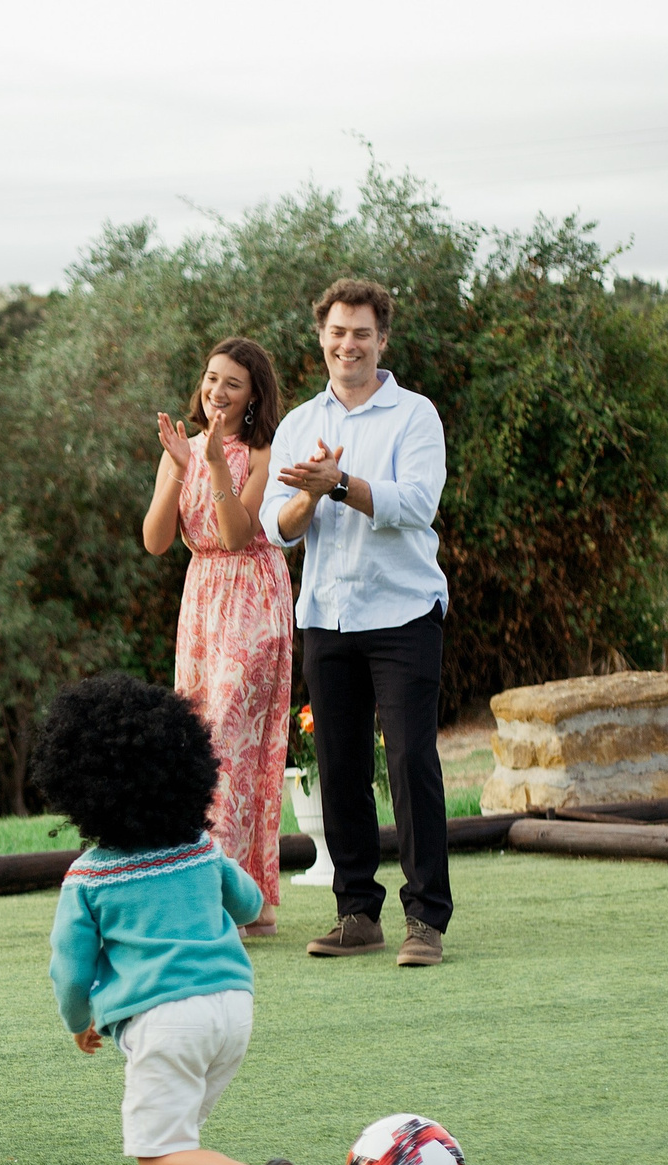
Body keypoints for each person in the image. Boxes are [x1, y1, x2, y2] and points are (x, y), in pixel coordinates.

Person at [31, 673, 300, 1165]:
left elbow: (68, 968)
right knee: (178, 1136)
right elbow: (252, 902)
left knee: (157, 1153)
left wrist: (80, 1022)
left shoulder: (90, 878)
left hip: (165, 1020)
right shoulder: (200, 849)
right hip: (234, 1009)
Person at [259, 277, 453, 967]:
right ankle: (356, 914)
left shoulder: (414, 416)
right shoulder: (300, 423)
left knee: (408, 759)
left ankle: (426, 919)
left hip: (403, 611)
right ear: (322, 336)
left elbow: (417, 503)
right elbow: (276, 528)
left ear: (383, 340)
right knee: (339, 766)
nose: (349, 344)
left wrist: (337, 484)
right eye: (338, 332)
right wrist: (309, 500)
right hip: (329, 614)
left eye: (362, 333)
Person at [142, 336, 292, 935]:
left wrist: (212, 466)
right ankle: (241, 902)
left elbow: (236, 535)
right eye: (211, 379)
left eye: (232, 383)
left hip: (253, 599)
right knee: (201, 747)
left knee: (231, 745)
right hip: (202, 604)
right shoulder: (181, 450)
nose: (217, 392)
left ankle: (213, 901)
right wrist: (179, 470)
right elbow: (155, 541)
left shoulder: (261, 453)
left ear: (254, 393)